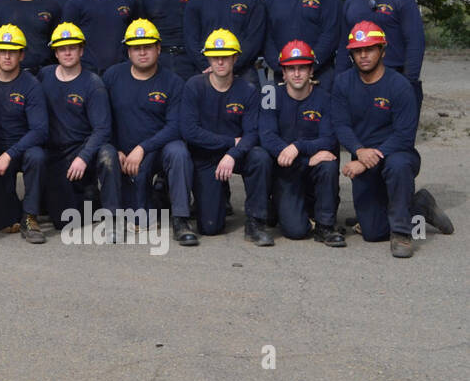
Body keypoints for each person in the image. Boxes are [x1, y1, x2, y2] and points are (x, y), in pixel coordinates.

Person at [102, 20, 196, 245]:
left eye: (148, 46)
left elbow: (176, 126)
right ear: (128, 51)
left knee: (179, 151)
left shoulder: (173, 82)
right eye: (136, 47)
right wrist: (116, 148)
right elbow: (102, 120)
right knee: (105, 153)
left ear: (159, 48)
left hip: (156, 152)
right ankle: (112, 218)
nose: (142, 52)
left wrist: (142, 149)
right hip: (123, 155)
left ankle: (181, 219)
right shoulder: (112, 77)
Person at [333, 22, 422, 257]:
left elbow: (405, 135)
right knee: (372, 232)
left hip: (397, 154)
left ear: (383, 49)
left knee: (398, 165)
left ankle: (402, 234)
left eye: (370, 49)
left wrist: (365, 159)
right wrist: (359, 151)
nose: (363, 55)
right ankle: (418, 206)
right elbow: (340, 124)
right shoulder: (342, 82)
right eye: (358, 50)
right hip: (363, 154)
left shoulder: (400, 86)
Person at [179, 29, 273, 244]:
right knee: (210, 227)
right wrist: (230, 142)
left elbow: (252, 133)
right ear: (208, 58)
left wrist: (232, 153)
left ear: (235, 58)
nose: (220, 61)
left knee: (260, 157)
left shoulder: (248, 90)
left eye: (225, 56)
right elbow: (189, 131)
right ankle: (219, 195)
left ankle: (255, 223)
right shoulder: (194, 86)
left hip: (236, 155)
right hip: (206, 156)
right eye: (215, 56)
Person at [37, 23, 118, 235]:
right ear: (55, 52)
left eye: (72, 47)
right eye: (62, 48)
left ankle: (113, 218)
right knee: (63, 222)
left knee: (108, 154)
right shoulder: (44, 76)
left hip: (84, 152)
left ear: (81, 50)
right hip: (55, 154)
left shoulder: (93, 84)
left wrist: (83, 157)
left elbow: (102, 129)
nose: (67, 52)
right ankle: (89, 196)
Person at [259, 41, 343, 246]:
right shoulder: (270, 96)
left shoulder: (325, 98)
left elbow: (329, 139)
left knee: (328, 163)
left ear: (311, 70)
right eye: (291, 68)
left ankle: (325, 227)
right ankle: (281, 207)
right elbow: (267, 136)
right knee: (296, 231)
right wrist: (299, 155)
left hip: (313, 170)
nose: (297, 73)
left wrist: (298, 147)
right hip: (286, 171)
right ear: (284, 73)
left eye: (302, 67)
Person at [334, 0, 425, 114]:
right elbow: (344, 46)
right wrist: (339, 82)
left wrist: (408, 83)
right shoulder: (351, 2)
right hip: (360, 80)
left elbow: (415, 43)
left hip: (395, 77)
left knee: (397, 138)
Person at [0, 25, 48, 242]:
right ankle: (0, 210)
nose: (7, 56)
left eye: (13, 51)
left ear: (22, 55)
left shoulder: (31, 85)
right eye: (2, 51)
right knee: (6, 223)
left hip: (21, 150)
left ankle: (31, 216)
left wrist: (10, 154)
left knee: (37, 155)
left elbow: (40, 130)